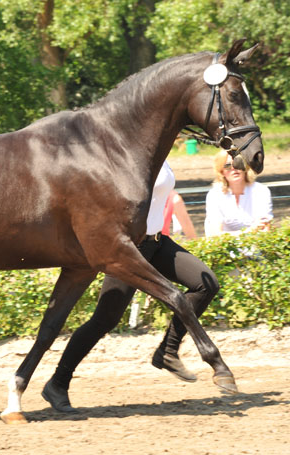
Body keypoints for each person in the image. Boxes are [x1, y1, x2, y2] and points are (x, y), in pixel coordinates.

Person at [41, 161, 220, 413]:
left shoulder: (161, 150)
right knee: (105, 319)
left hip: (159, 242)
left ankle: (167, 351)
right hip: (131, 249)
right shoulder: (128, 153)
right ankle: (57, 384)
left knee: (205, 284)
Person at [205, 150, 273, 237]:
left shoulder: (261, 191)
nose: (234, 168)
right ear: (221, 171)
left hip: (255, 247)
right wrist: (250, 231)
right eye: (228, 165)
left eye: (238, 163)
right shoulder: (214, 195)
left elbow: (265, 229)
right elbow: (216, 234)